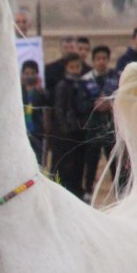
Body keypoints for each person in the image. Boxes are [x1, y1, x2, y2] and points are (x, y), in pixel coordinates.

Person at [75, 45, 119, 201]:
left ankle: (119, 191)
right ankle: (88, 191)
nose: (101, 62)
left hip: (111, 128)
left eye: (104, 58)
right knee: (91, 161)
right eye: (98, 59)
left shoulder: (116, 78)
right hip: (93, 128)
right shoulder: (85, 80)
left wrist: (111, 104)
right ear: (93, 61)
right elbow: (80, 104)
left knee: (114, 161)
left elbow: (123, 98)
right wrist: (94, 104)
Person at [48, 51, 87, 200]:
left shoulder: (82, 84)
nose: (75, 70)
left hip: (78, 131)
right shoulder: (62, 85)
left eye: (78, 67)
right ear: (66, 68)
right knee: (63, 165)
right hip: (65, 133)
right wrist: (64, 129)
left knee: (77, 165)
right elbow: (59, 109)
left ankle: (76, 193)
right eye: (72, 67)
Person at [20, 59, 49, 164]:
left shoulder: (41, 92)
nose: (29, 76)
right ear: (22, 75)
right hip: (21, 132)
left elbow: (46, 107)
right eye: (27, 73)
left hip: (36, 132)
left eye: (33, 73)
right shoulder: (19, 91)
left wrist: (40, 90)